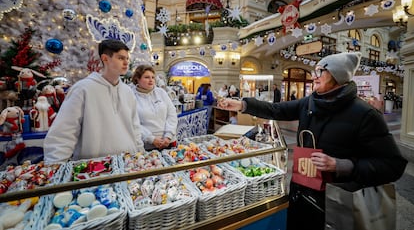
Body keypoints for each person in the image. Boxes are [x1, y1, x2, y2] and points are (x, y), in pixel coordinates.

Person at [217, 52, 407, 230]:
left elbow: (393, 165)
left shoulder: (365, 114)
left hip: (336, 202)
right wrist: (242, 104)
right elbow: (277, 110)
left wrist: (341, 165)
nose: (314, 76)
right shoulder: (310, 102)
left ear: (338, 76)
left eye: (320, 71)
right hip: (301, 195)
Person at [43, 39, 145, 163]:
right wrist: (54, 167)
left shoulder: (128, 92)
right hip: (94, 170)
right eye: (120, 58)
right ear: (105, 59)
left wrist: (141, 154)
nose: (126, 62)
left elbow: (135, 128)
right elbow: (64, 132)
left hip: (128, 164)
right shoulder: (83, 89)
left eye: (127, 59)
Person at [130, 64, 178, 151]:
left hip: (168, 142)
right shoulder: (131, 96)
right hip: (146, 146)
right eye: (147, 77)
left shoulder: (161, 93)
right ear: (137, 79)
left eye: (152, 77)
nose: (151, 80)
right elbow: (132, 122)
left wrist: (168, 136)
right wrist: (151, 139)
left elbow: (172, 115)